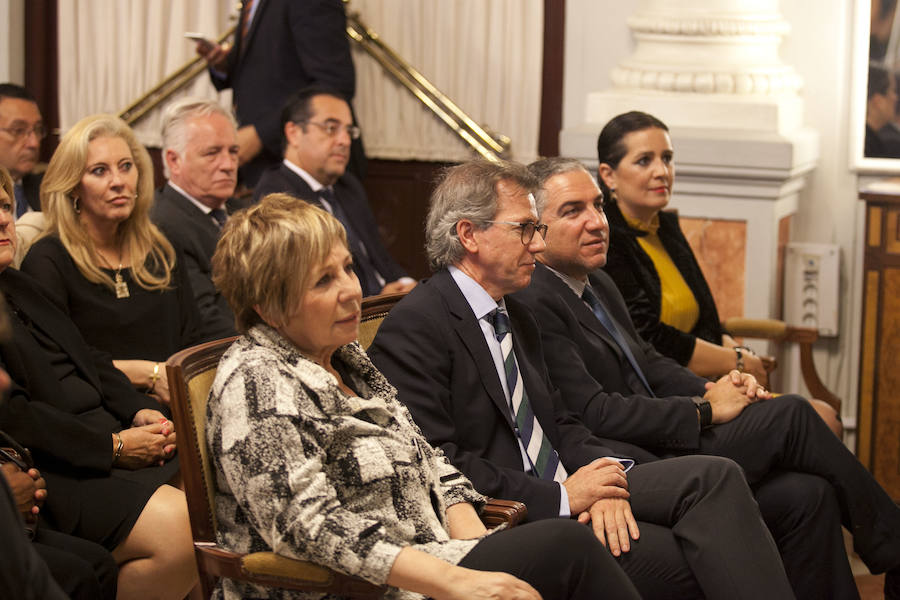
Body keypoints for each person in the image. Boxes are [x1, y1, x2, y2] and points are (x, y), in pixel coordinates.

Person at [368, 159, 795, 599]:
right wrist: (565, 496)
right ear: (468, 234)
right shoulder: (416, 326)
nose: (537, 245)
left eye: (538, 228)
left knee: (715, 478)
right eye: (525, 229)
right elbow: (441, 461)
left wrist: (603, 477)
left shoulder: (514, 311)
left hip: (569, 479)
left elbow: (561, 420)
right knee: (698, 556)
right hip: (513, 514)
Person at [207, 192, 641, 600]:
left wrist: (478, 545)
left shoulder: (345, 357)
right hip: (364, 587)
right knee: (567, 544)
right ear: (267, 304)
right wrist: (458, 581)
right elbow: (309, 529)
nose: (351, 290)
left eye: (347, 268)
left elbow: (426, 454)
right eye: (323, 280)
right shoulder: (255, 382)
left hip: (438, 558)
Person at [513, 155, 900, 599]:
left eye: (598, 206)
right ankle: (894, 548)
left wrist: (713, 386)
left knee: (806, 495)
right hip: (638, 454)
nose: (597, 222)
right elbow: (594, 413)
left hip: (663, 432)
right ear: (535, 228)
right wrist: (704, 411)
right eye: (573, 211)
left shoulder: (595, 281)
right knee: (792, 414)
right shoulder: (537, 298)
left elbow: (648, 360)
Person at [0, 166, 197, 599]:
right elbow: (16, 416)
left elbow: (88, 356)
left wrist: (137, 408)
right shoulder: (46, 259)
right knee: (183, 530)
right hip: (54, 465)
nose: (2, 220)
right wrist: (114, 447)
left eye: (4, 205)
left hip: (105, 429)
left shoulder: (18, 284)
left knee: (210, 489)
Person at [595, 111, 842, 435]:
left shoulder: (664, 227)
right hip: (670, 398)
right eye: (644, 161)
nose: (662, 171)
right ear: (609, 175)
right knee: (820, 420)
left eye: (667, 158)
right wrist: (736, 362)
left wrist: (739, 359)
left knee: (824, 421)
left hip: (713, 381)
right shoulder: (607, 242)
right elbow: (648, 338)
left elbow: (706, 321)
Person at [20, 114, 204, 405]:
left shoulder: (162, 248)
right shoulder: (48, 260)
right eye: (99, 171)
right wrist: (150, 374)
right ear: (73, 186)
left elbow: (193, 338)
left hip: (178, 407)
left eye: (126, 167)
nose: (118, 182)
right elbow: (55, 367)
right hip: (98, 414)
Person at [253, 86, 414, 297]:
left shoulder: (347, 185)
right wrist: (376, 301)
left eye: (348, 131)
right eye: (331, 128)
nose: (345, 141)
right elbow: (311, 286)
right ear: (294, 133)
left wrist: (406, 284)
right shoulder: (277, 197)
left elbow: (379, 256)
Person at [197, 0, 365, 185]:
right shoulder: (251, 3)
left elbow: (334, 83)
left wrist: (260, 135)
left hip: (303, 172)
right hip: (262, 170)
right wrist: (222, 65)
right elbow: (265, 67)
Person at [152, 98, 249, 340]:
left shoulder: (245, 211)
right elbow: (206, 323)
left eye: (233, 152)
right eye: (212, 153)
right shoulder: (161, 225)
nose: (228, 165)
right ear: (174, 161)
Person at [866, 65, 899, 158]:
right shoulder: (866, 147)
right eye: (892, 91)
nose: (895, 97)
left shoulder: (872, 142)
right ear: (878, 101)